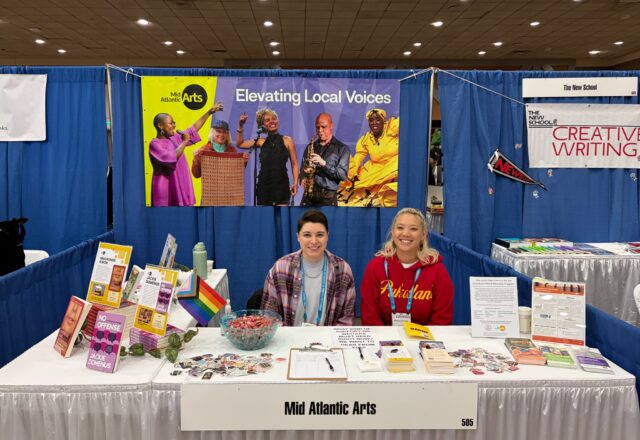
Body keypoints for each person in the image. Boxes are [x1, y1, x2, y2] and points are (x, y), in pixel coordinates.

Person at [360, 207, 453, 326]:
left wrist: (422, 343)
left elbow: (442, 319)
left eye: (413, 229)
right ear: (393, 232)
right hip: (384, 341)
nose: (406, 234)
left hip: (425, 341)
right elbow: (369, 316)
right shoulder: (375, 267)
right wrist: (388, 342)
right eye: (400, 228)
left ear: (423, 234)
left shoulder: (438, 271)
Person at [261, 210, 356, 326]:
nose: (314, 241)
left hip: (327, 341)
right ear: (298, 237)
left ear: (327, 236)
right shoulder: (281, 268)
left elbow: (346, 320)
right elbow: (269, 318)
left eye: (320, 235)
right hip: (289, 340)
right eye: (307, 235)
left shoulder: (343, 270)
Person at [149, 103, 222, 206]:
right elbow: (171, 159)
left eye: (174, 123)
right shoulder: (155, 144)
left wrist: (209, 112)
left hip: (180, 183)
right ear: (160, 126)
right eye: (170, 123)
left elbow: (193, 129)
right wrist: (184, 142)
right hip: (165, 187)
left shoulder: (175, 138)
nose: (174, 126)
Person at [338, 108, 399, 207]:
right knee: (355, 191)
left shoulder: (391, 128)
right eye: (371, 120)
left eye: (378, 119)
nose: (374, 123)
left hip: (394, 167)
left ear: (383, 120)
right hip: (375, 169)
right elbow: (359, 157)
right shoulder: (366, 139)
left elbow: (406, 124)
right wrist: (351, 174)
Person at [236, 108, 298, 206]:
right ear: (262, 125)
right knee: (265, 219)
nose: (272, 121)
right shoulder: (260, 141)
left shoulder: (287, 140)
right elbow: (240, 144)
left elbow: (294, 164)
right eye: (267, 120)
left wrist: (295, 182)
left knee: (282, 219)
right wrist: (241, 125)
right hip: (264, 186)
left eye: (274, 119)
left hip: (281, 186)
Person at [299, 113, 350, 206]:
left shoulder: (342, 149)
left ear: (331, 126)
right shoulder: (310, 146)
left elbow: (343, 175)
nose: (320, 131)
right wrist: (302, 178)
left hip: (328, 197)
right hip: (309, 196)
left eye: (323, 127)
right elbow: (302, 169)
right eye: (317, 127)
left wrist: (324, 163)